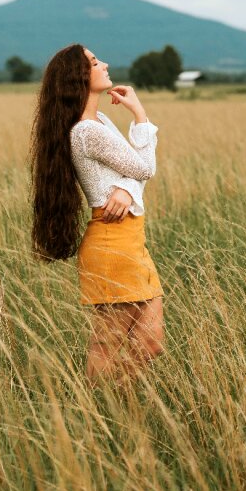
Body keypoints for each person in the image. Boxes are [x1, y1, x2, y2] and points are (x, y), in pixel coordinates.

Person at [29, 42, 165, 387]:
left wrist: (127, 189)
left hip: (132, 241)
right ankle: (96, 408)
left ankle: (113, 404)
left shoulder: (100, 120)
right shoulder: (87, 132)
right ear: (78, 76)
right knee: (106, 345)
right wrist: (140, 116)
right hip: (111, 242)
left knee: (151, 343)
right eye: (93, 62)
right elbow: (145, 168)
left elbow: (135, 176)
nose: (103, 64)